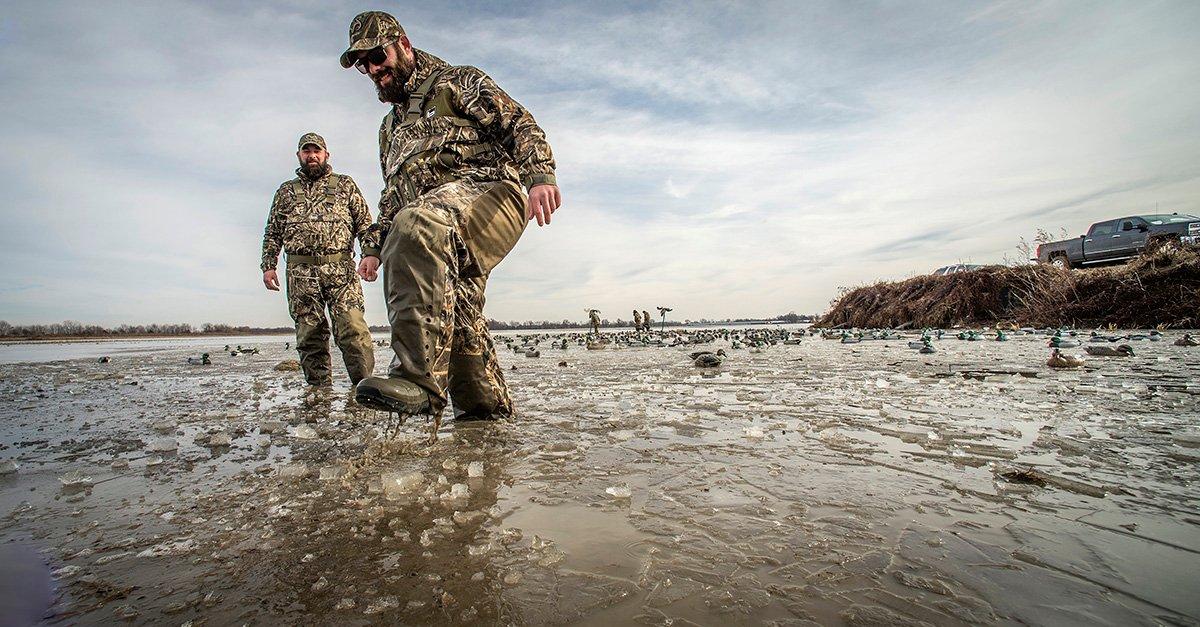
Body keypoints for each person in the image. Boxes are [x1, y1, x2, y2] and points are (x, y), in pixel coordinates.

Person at [340, 11, 561, 420]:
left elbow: (519, 124)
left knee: (416, 225)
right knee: (458, 318)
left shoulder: (457, 81)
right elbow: (393, 194)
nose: (372, 69)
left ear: (403, 44)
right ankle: (485, 420)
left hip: (491, 194)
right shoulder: (389, 130)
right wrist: (373, 246)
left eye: (377, 55)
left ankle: (417, 379)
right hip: (435, 228)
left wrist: (539, 175)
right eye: (362, 63)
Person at [261, 133, 375, 388]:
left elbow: (365, 224)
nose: (312, 155)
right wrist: (268, 265)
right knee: (309, 334)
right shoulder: (286, 191)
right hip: (300, 273)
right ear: (299, 155)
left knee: (352, 329)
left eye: (317, 151)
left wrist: (370, 254)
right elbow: (273, 230)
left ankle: (366, 387)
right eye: (306, 151)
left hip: (341, 270)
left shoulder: (345, 185)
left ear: (326, 154)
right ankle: (318, 391)